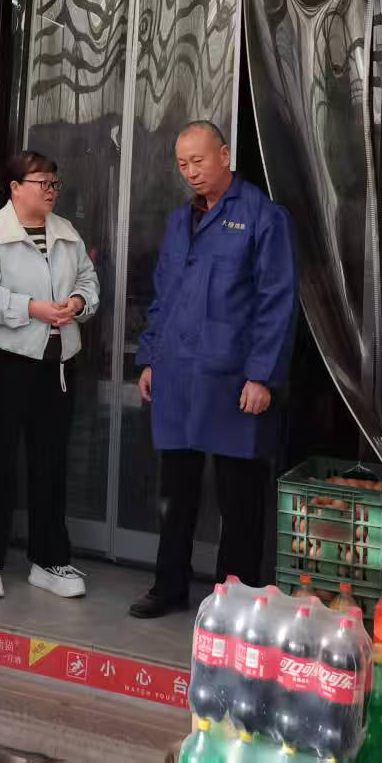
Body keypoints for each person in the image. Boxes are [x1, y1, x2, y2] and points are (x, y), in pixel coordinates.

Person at [130, 121, 297, 619]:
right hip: (178, 374)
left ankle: (235, 602)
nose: (191, 172)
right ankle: (168, 586)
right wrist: (150, 358)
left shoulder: (263, 217)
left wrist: (262, 375)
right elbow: (164, 293)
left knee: (238, 498)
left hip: (233, 378)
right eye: (182, 164)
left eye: (199, 161)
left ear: (225, 155)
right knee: (174, 491)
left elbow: (277, 301)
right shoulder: (179, 221)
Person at [0, 151, 98, 601]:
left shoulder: (66, 232)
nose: (51, 191)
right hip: (7, 360)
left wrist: (78, 302)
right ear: (16, 187)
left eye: (55, 183)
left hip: (58, 363)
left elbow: (89, 281)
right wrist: (30, 308)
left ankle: (48, 559)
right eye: (42, 182)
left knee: (51, 462)